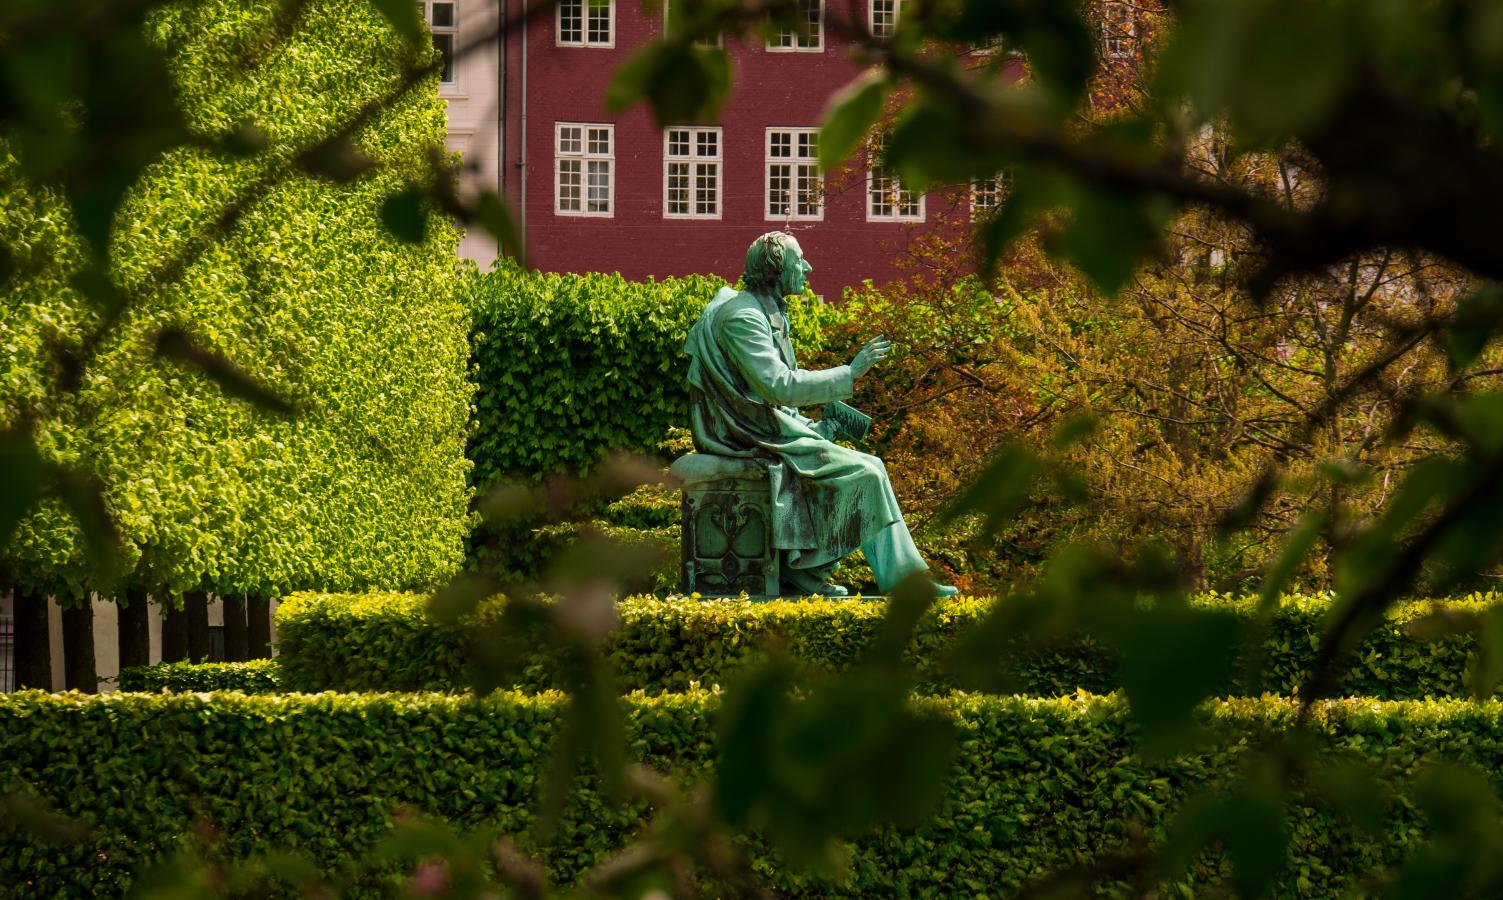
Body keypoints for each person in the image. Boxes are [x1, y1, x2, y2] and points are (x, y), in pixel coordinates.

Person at [683, 231, 958, 597]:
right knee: (865, 473)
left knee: (872, 465)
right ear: (775, 269)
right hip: (743, 435)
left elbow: (770, 398)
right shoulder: (743, 317)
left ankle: (834, 571)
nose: (808, 268)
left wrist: (812, 426)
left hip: (763, 425)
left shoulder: (769, 313)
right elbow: (777, 386)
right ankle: (820, 569)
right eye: (800, 261)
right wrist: (850, 372)